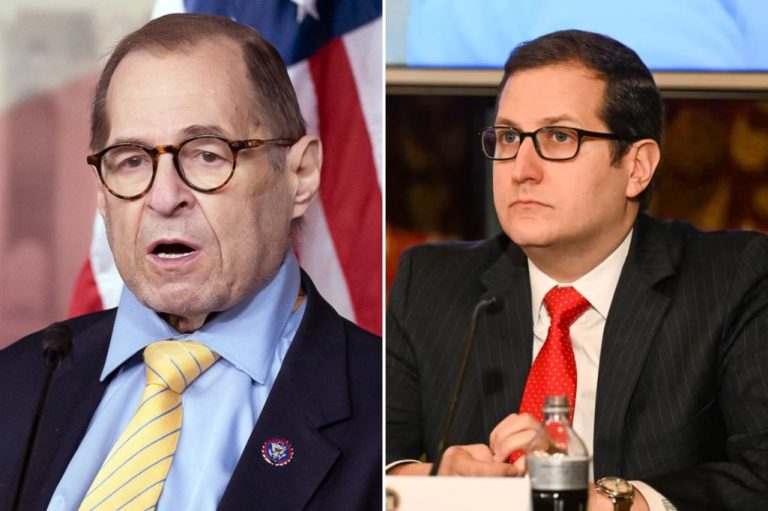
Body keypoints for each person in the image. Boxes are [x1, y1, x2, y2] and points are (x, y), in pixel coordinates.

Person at [0, 13, 380, 511]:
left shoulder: (380, 410)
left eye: (207, 154)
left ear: (301, 176)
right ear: (101, 188)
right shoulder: (19, 382)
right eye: (132, 160)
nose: (163, 197)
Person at [386, 29, 768, 511]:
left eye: (559, 137)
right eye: (508, 137)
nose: (522, 167)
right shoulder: (431, 283)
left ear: (637, 166)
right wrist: (436, 479)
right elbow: (368, 459)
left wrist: (613, 502)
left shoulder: (730, 280)